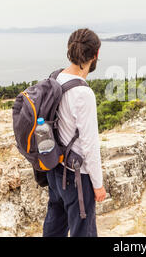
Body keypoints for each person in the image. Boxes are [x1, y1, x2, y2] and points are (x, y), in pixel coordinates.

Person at [43, 28, 106, 237]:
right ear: (95, 55)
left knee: (54, 225)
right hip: (77, 175)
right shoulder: (83, 93)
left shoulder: (56, 77)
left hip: (54, 166)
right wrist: (98, 185)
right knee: (83, 231)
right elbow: (89, 145)